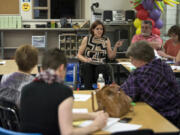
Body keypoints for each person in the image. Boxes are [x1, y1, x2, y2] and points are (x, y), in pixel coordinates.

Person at [20, 48, 108, 135]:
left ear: (42, 69)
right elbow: (67, 133)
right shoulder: (64, 92)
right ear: (62, 68)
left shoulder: (26, 90)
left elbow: (61, 115)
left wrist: (91, 115)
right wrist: (96, 125)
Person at [120, 41, 180, 128]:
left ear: (139, 59)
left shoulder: (139, 73)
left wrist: (118, 89)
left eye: (131, 59)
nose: (131, 62)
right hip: (174, 116)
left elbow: (125, 97)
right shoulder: (165, 66)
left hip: (153, 118)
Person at [77, 20, 123, 89]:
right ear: (93, 30)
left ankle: (100, 89)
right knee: (87, 66)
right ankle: (88, 89)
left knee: (101, 67)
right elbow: (79, 55)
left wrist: (116, 47)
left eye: (101, 29)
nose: (99, 31)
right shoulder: (87, 39)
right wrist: (86, 60)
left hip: (101, 66)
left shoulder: (106, 40)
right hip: (89, 64)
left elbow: (111, 56)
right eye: (97, 29)